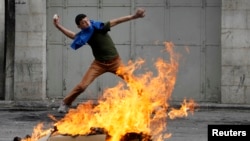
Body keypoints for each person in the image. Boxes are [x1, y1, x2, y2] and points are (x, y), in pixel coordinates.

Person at [53, 8, 145, 113]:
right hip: (98, 64)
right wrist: (58, 26)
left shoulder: (99, 27)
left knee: (133, 81)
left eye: (87, 20)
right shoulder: (84, 35)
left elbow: (117, 21)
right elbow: (73, 36)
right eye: (83, 22)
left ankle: (148, 102)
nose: (86, 23)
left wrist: (134, 16)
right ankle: (65, 103)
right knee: (82, 86)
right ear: (79, 26)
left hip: (115, 62)